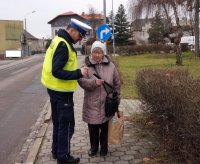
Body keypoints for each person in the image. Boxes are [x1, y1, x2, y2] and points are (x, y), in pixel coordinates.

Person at [41, 18, 91, 164]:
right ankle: (63, 157)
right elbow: (56, 71)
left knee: (58, 123)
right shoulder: (63, 45)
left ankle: (56, 151)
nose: (80, 39)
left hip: (54, 90)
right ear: (72, 30)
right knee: (67, 125)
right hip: (62, 93)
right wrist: (79, 73)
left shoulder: (58, 40)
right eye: (80, 35)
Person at [78, 41, 121, 157]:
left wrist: (117, 99)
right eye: (94, 52)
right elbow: (81, 81)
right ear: (91, 53)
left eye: (99, 52)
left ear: (104, 53)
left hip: (107, 103)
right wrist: (94, 83)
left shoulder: (111, 66)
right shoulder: (86, 66)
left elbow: (117, 83)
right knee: (93, 128)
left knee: (105, 128)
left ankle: (104, 148)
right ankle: (93, 147)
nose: (97, 55)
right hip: (91, 102)